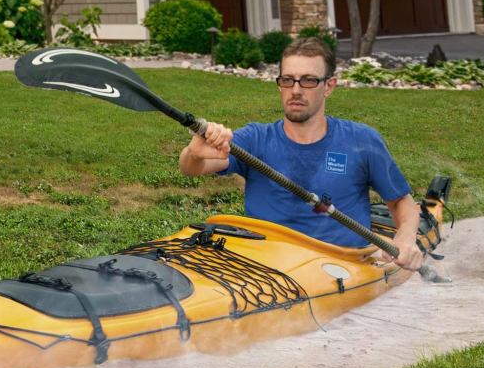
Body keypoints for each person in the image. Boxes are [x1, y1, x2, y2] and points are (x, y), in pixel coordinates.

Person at [179, 37, 424, 271]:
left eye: (308, 81)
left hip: (341, 266)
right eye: (287, 80)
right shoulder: (255, 139)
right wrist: (195, 152)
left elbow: (403, 202)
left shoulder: (361, 141)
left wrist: (404, 239)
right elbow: (191, 168)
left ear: (329, 86)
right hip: (265, 265)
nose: (295, 90)